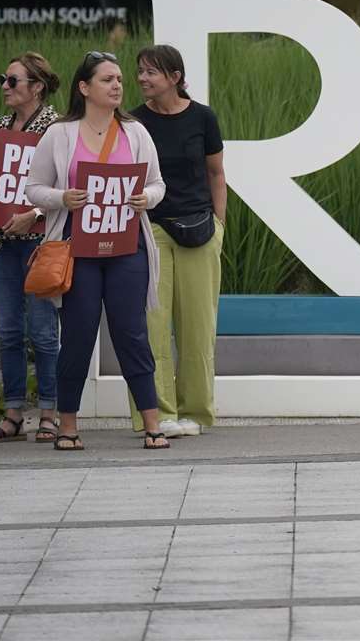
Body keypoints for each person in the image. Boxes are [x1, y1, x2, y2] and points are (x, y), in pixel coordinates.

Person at [26, 52, 169, 452]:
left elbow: (158, 184)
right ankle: (68, 425)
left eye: (120, 79)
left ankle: (152, 422)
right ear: (84, 88)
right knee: (77, 335)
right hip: (79, 250)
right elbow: (33, 188)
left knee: (132, 334)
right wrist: (62, 197)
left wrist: (146, 198)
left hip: (127, 248)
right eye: (107, 79)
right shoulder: (60, 133)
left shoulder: (136, 132)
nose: (118, 86)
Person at [131, 45, 227, 440]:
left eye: (150, 72)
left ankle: (196, 414)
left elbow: (216, 173)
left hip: (200, 230)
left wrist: (219, 225)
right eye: (139, 71)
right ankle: (157, 414)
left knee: (198, 327)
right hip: (150, 230)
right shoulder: (133, 123)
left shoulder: (203, 117)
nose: (141, 79)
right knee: (152, 326)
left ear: (174, 76)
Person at [0, 53, 62, 444]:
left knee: (43, 331)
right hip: (2, 239)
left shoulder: (56, 128)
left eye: (13, 81)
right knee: (8, 329)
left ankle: (50, 413)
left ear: (36, 86)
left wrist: (35, 211)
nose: (5, 87)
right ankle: (12, 414)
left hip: (40, 241)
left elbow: (68, 186)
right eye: (4, 80)